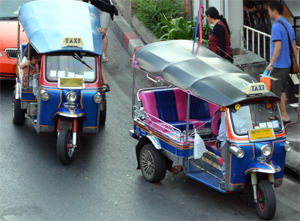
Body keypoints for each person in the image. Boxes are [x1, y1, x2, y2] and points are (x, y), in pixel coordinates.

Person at [267, 2, 297, 125]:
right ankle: (281, 115)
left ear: (274, 11)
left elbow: (277, 47)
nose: (269, 13)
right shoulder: (288, 25)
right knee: (282, 90)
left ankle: (284, 117)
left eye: (269, 10)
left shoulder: (276, 26)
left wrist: (271, 64)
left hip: (279, 65)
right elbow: (294, 46)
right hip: (287, 64)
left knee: (277, 92)